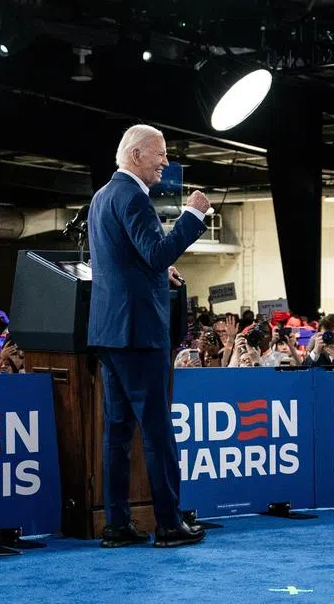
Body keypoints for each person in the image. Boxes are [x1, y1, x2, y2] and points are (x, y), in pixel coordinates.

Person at [87, 124, 210, 549]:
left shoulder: (103, 195)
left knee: (117, 434)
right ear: (137, 155)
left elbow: (129, 261)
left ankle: (117, 525)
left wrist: (161, 273)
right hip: (139, 333)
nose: (165, 162)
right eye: (160, 154)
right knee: (158, 433)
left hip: (110, 332)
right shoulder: (133, 195)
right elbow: (156, 251)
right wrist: (192, 216)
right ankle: (170, 524)